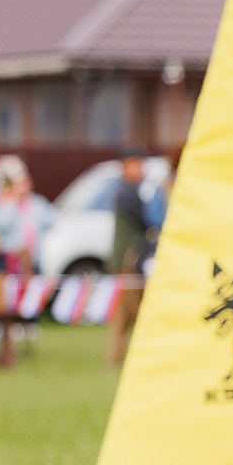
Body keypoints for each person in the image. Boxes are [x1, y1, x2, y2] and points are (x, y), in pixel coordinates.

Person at [107, 149, 150, 366]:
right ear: (126, 165)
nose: (141, 169)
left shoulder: (129, 190)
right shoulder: (126, 193)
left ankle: (119, 358)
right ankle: (119, 359)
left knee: (125, 314)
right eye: (138, 163)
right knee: (130, 312)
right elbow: (146, 221)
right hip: (128, 261)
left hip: (129, 260)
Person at [0, 155, 53, 276]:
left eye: (25, 182)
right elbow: (0, 225)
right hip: (11, 261)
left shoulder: (38, 203)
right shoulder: (6, 204)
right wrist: (13, 201)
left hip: (36, 258)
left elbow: (52, 222)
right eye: (18, 184)